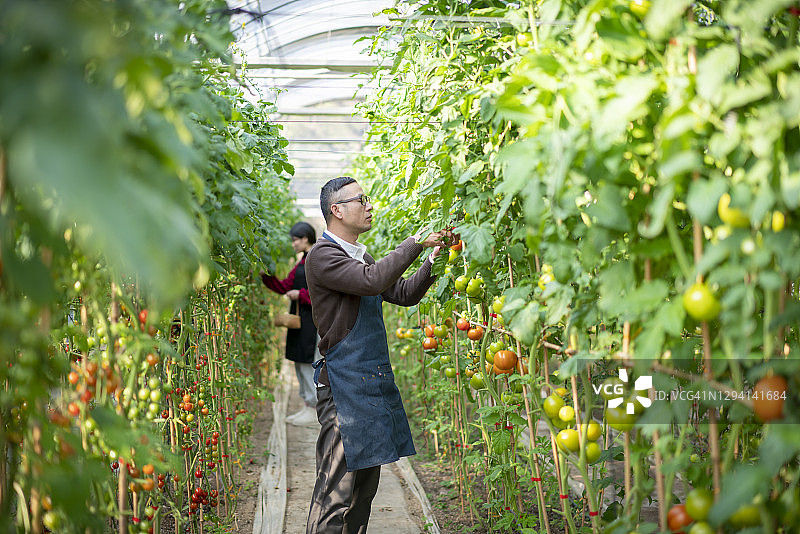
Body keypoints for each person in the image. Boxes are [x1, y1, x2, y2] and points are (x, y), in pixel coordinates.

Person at [304, 176, 452, 533]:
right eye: (362, 200)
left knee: (362, 494)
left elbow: (402, 293)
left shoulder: (361, 256)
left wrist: (433, 258)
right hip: (342, 390)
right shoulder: (322, 255)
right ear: (336, 210)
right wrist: (415, 242)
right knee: (334, 493)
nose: (369, 206)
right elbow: (371, 281)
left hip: (368, 387)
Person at [260, 221, 320, 426]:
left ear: (305, 238)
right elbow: (284, 285)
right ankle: (307, 406)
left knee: (308, 362)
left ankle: (314, 408)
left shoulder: (318, 258)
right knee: (299, 360)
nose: (293, 244)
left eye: (295, 240)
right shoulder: (303, 262)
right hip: (300, 320)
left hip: (313, 321)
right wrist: (266, 277)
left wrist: (301, 295)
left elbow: (324, 294)